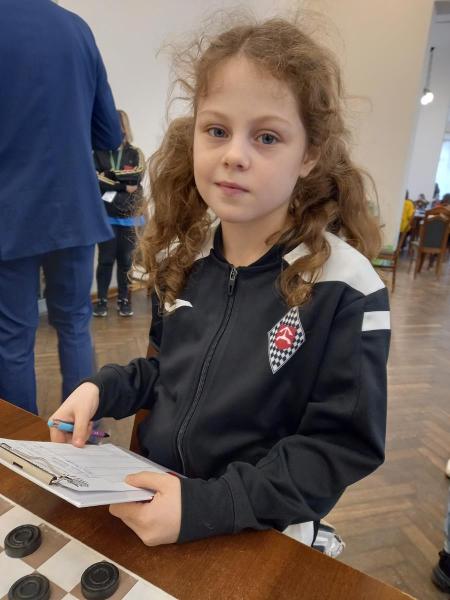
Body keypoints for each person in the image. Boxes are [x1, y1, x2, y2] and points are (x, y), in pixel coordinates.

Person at [49, 17, 390, 548]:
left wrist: (209, 506)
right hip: (157, 503)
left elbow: (339, 446)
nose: (234, 154)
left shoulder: (347, 288)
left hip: (257, 533)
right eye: (217, 130)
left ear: (309, 154)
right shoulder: (183, 258)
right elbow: (169, 372)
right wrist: (103, 387)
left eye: (267, 137)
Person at [0, 0, 122, 414]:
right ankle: (80, 434)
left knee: (13, 339)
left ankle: (20, 445)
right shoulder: (77, 29)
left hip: (9, 213)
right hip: (75, 209)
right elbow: (109, 134)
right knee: (74, 325)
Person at [93, 110, 146, 318]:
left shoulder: (135, 153)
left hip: (129, 216)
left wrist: (108, 176)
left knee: (126, 261)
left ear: (125, 128)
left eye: (119, 126)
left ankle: (124, 300)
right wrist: (122, 186)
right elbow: (96, 180)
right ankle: (102, 300)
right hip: (106, 216)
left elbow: (137, 175)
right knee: (105, 260)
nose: (115, 130)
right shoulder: (98, 153)